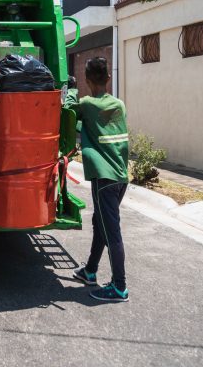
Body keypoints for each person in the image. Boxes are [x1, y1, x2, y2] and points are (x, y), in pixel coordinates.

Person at [65, 57, 130, 302]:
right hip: (121, 177)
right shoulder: (119, 105)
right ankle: (90, 271)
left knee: (112, 232)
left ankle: (119, 287)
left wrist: (71, 87)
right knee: (101, 224)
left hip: (104, 179)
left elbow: (69, 109)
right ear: (108, 78)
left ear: (87, 80)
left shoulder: (87, 103)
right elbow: (92, 126)